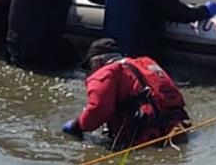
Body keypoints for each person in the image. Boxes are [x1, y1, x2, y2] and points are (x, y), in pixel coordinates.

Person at [62, 38, 190, 149]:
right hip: (177, 129)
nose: (90, 72)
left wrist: (78, 125)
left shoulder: (104, 73)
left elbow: (98, 110)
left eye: (90, 67)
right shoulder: (146, 63)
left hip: (146, 138)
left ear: (96, 62)